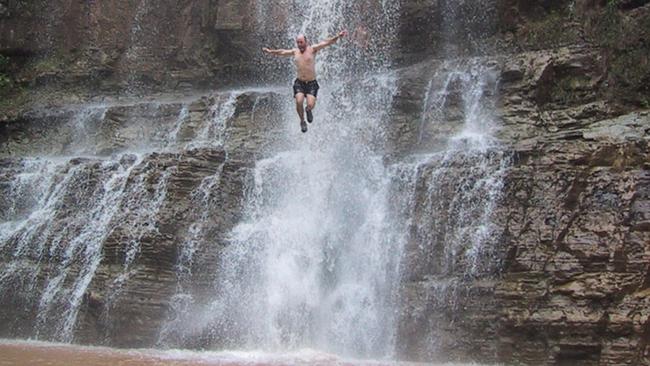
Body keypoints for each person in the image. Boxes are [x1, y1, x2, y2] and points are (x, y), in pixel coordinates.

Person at [262, 31, 347, 133]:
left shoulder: (313, 49)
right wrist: (270, 52)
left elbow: (327, 43)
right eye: (298, 42)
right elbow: (282, 52)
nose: (299, 45)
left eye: (301, 42)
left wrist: (338, 36)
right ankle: (302, 121)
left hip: (311, 84)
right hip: (300, 83)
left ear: (306, 42)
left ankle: (308, 110)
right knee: (299, 101)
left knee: (310, 104)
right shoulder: (295, 51)